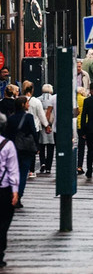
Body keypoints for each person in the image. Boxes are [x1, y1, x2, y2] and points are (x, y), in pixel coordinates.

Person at [4, 98, 36, 207]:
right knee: (23, 173)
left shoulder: (11, 118)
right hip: (26, 149)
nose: (28, 105)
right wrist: (37, 146)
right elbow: (33, 132)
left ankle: (12, 195)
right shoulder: (29, 117)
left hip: (13, 148)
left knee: (12, 172)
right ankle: (18, 197)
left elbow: (7, 134)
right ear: (23, 105)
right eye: (27, 103)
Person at [0, 120, 17, 267]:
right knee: (4, 221)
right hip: (4, 189)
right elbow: (12, 169)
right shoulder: (8, 145)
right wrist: (15, 191)